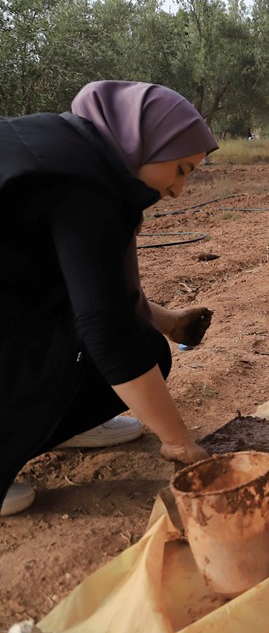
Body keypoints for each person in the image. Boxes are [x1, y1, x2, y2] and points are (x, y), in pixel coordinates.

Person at [1, 80, 218, 517]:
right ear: (145, 142)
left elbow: (84, 283)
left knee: (149, 346)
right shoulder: (79, 184)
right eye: (181, 170)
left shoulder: (65, 145)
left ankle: (59, 425)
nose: (178, 191)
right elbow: (105, 324)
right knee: (126, 346)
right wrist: (178, 440)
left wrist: (168, 321)